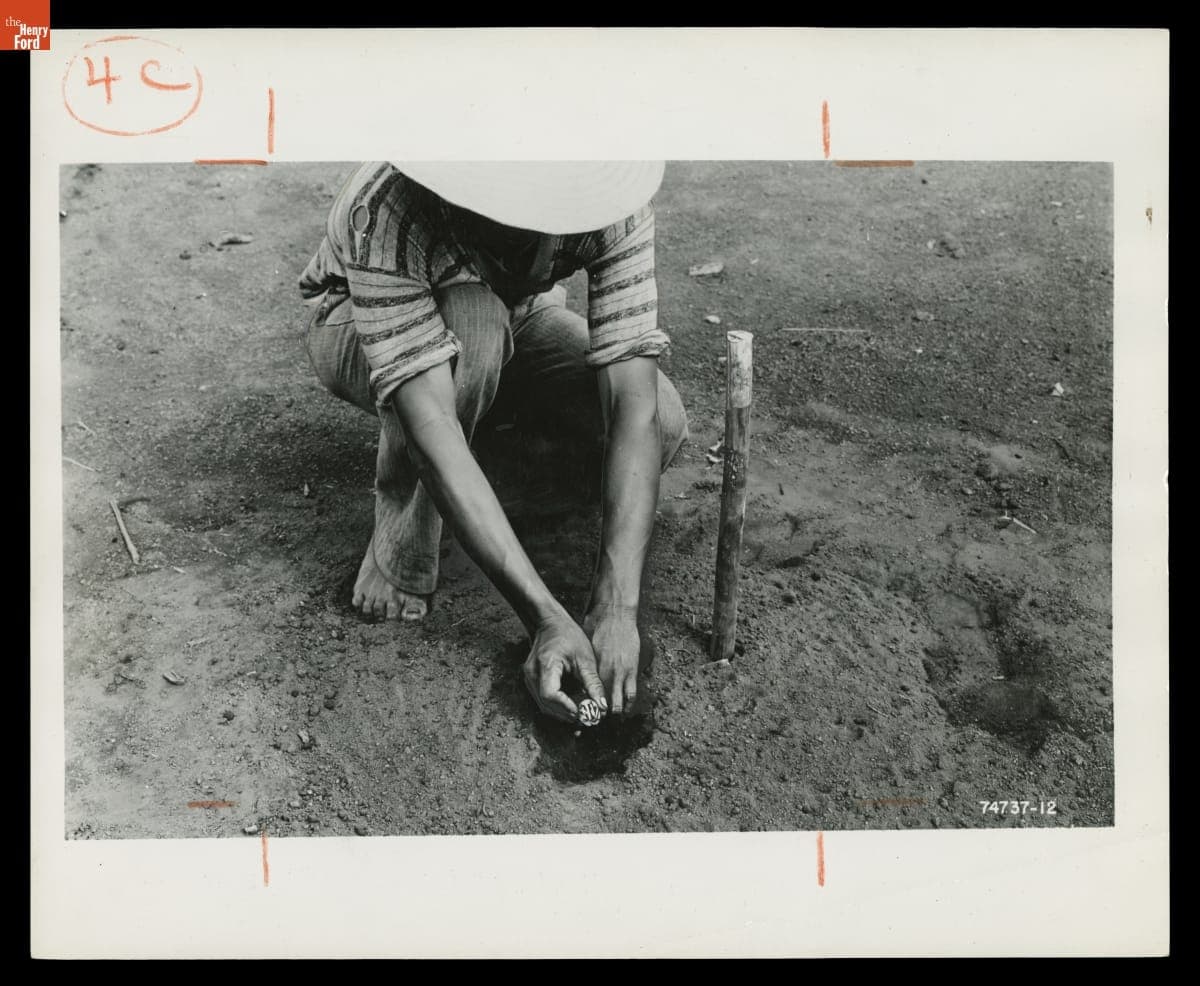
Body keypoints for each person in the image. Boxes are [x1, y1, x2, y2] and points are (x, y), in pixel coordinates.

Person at [299, 161, 688, 724]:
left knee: (667, 421)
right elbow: (430, 426)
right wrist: (546, 618)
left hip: (515, 310)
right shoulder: (387, 206)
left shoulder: (605, 192)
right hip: (351, 318)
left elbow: (634, 402)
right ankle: (402, 543)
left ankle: (480, 492)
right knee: (474, 327)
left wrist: (617, 604)